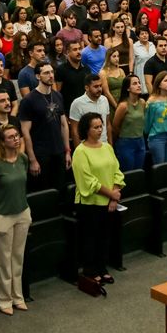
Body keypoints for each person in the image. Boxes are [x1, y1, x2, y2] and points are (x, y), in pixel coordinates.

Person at [0, 124, 32, 315]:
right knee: (3, 260)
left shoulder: (23, 159)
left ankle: (18, 297)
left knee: (18, 257)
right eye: (11, 137)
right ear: (1, 141)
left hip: (21, 213)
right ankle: (4, 300)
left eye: (17, 136)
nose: (16, 139)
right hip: (1, 216)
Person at [72, 112, 126, 285]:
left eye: (101, 126)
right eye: (95, 127)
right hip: (90, 203)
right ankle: (90, 270)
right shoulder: (80, 152)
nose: (100, 129)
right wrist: (111, 194)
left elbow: (117, 171)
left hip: (109, 202)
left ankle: (102, 268)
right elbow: (88, 182)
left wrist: (114, 197)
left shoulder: (107, 147)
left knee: (105, 237)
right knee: (91, 238)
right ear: (86, 130)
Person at [20, 62, 72, 192]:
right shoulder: (29, 100)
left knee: (61, 188)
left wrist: (67, 151)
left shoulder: (58, 95)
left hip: (58, 151)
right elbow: (25, 132)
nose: (51, 76)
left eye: (52, 72)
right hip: (41, 153)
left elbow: (64, 125)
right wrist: (32, 159)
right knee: (44, 191)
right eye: (46, 73)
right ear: (38, 76)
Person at [112, 74, 147, 171]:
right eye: (135, 84)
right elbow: (115, 126)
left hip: (140, 140)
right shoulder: (123, 106)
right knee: (129, 172)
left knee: (139, 170)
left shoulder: (143, 102)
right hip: (126, 142)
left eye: (139, 83)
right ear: (128, 88)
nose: (139, 85)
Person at [68, 73, 111, 146]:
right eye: (96, 86)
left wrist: (110, 145)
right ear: (87, 88)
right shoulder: (77, 103)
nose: (100, 89)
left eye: (100, 86)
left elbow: (107, 125)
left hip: (104, 145)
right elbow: (74, 131)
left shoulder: (105, 100)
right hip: (87, 148)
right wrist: (79, 151)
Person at [145, 71, 167, 165]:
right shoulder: (152, 101)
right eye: (165, 81)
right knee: (160, 166)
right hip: (157, 137)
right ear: (159, 83)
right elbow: (148, 122)